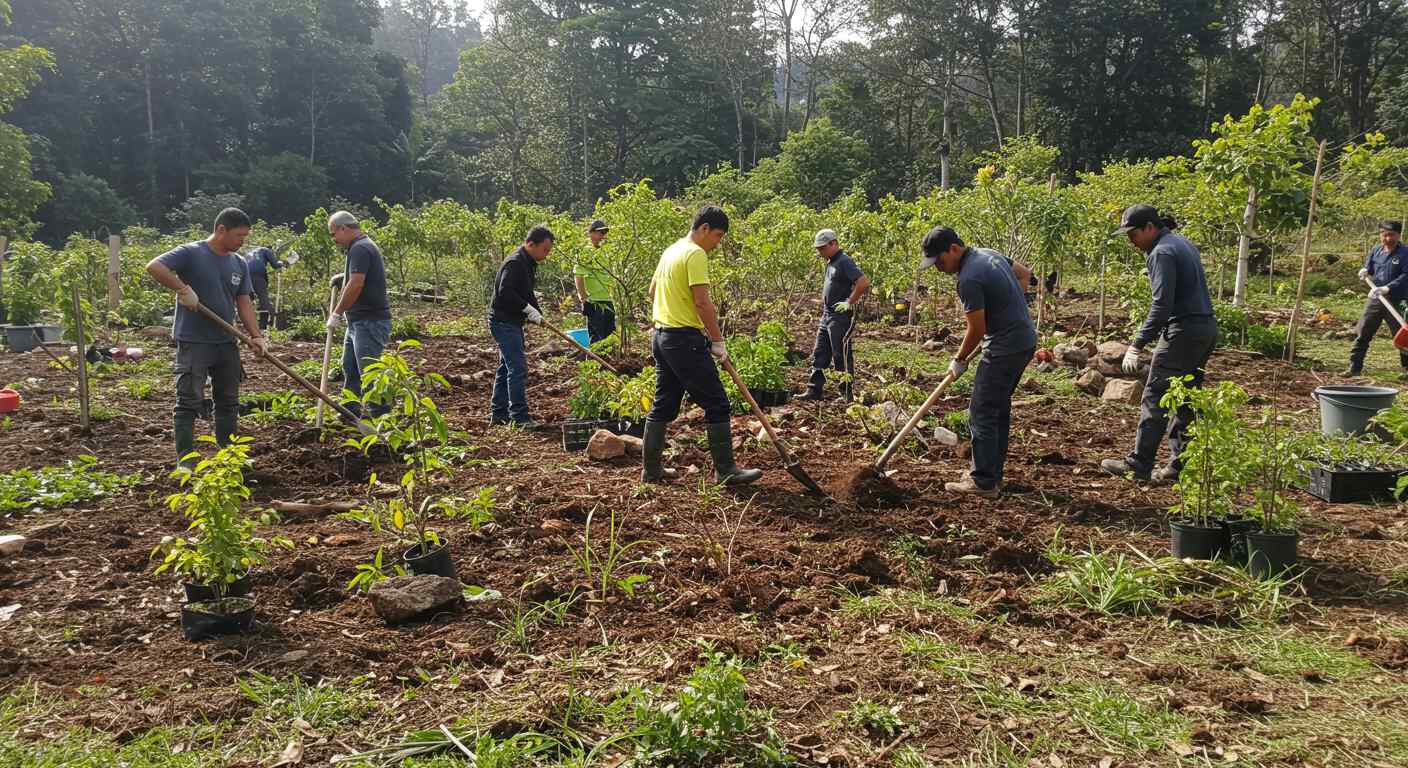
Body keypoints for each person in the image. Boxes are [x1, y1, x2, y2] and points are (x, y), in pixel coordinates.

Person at [640, 206, 760, 485]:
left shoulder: (672, 250)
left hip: (661, 336)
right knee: (717, 403)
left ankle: (651, 470)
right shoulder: (695, 253)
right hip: (683, 340)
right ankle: (726, 470)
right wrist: (717, 340)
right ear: (704, 228)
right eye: (717, 235)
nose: (717, 243)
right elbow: (702, 302)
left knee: (664, 404)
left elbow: (652, 291)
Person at [1100, 204, 1216, 484]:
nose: (1131, 241)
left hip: (1183, 331)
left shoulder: (1161, 252)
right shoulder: (1182, 243)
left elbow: (1161, 304)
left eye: (1133, 234)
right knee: (1185, 397)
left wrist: (1137, 344)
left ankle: (1138, 465)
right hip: (1205, 328)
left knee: (1156, 396)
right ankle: (1180, 466)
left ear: (1150, 227)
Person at [146, 207, 268, 467]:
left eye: (245, 237)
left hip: (226, 341)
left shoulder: (239, 263)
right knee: (189, 400)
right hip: (194, 340)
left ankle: (228, 456)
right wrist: (182, 289)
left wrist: (256, 336)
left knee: (228, 401)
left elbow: (243, 301)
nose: (242, 242)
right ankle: (187, 461)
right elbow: (154, 266)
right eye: (238, 236)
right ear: (221, 229)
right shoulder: (192, 253)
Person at [919, 227, 1036, 497]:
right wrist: (1009, 307)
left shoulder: (968, 278)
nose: (938, 267)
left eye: (939, 261)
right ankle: (992, 474)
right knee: (998, 410)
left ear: (954, 249)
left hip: (1004, 348)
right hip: (1024, 341)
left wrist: (959, 360)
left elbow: (976, 330)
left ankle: (983, 481)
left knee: (981, 412)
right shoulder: (989, 254)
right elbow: (1025, 274)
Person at [325, 211, 393, 418]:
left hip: (369, 322)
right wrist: (343, 276)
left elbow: (356, 284)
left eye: (333, 233)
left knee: (370, 372)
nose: (334, 239)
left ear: (343, 228)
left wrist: (336, 313)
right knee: (351, 368)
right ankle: (350, 410)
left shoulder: (360, 248)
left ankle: (382, 417)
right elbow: (356, 276)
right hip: (357, 322)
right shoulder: (360, 246)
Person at [489, 225, 554, 428]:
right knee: (518, 368)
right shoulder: (515, 263)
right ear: (530, 244)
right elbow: (505, 292)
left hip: (511, 322)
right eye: (544, 249)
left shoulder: (528, 263)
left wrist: (537, 313)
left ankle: (499, 414)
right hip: (503, 322)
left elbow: (526, 293)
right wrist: (527, 309)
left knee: (506, 367)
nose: (546, 254)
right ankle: (520, 417)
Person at [800, 229, 869, 403]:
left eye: (823, 248)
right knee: (820, 353)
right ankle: (814, 390)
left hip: (840, 318)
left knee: (841, 355)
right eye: (819, 249)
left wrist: (849, 301)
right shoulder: (831, 262)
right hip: (827, 315)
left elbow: (863, 282)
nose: (820, 252)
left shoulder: (844, 261)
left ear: (834, 243)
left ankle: (846, 394)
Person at [1345, 220, 1408, 378]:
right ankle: (1354, 367)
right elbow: (1370, 267)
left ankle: (1407, 369)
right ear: (1380, 235)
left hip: (1397, 300)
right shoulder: (1376, 250)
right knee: (1363, 331)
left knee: (1402, 336)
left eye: (1391, 235)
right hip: (1376, 299)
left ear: (1398, 235)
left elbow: (1406, 276)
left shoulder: (1405, 253)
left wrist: (1388, 288)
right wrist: (1365, 270)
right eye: (1384, 235)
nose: (1387, 239)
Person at [575, 219, 616, 345]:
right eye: (600, 232)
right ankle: (596, 363)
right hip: (594, 301)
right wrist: (583, 298)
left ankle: (609, 363)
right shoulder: (585, 252)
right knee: (597, 338)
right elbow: (578, 276)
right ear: (591, 233)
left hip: (607, 299)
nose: (602, 236)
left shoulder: (606, 252)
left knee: (610, 336)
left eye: (604, 233)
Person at [244, 245, 294, 330]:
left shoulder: (251, 252)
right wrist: (286, 262)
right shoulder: (266, 250)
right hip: (258, 275)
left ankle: (247, 325)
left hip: (245, 275)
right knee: (264, 301)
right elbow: (275, 265)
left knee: (247, 300)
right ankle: (266, 324)